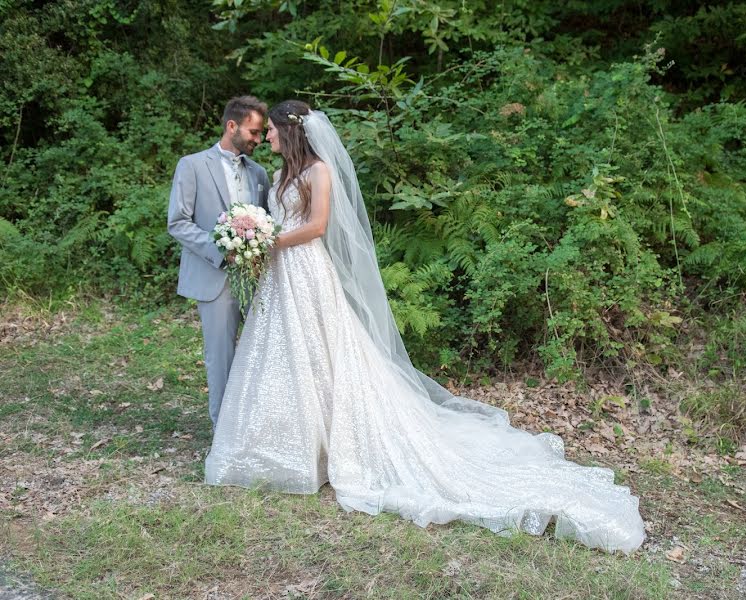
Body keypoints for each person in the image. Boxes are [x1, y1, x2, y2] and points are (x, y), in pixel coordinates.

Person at [204, 100, 645, 552]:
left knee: (320, 350)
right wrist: (256, 237)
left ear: (289, 130)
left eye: (272, 131)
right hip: (280, 276)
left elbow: (316, 226)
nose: (267, 138)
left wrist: (269, 239)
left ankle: (329, 446)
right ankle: (287, 450)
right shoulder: (278, 176)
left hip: (307, 271)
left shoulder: (319, 171)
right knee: (285, 355)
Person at [167, 96, 270, 428]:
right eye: (254, 132)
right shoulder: (192, 165)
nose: (258, 139)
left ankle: (255, 424)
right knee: (220, 358)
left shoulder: (260, 173)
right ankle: (224, 432)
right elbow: (178, 222)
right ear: (232, 126)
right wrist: (220, 250)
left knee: (261, 354)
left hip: (257, 277)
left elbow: (268, 223)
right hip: (215, 277)